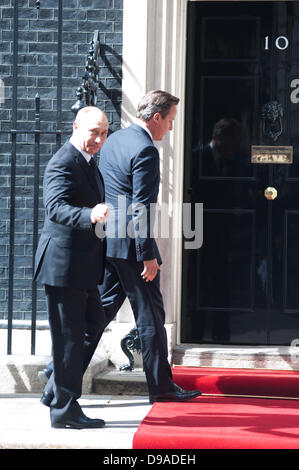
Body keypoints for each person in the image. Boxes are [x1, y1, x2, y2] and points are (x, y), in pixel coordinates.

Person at [98, 90, 202, 404]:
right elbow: (141, 206)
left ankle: (58, 370)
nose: (170, 128)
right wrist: (147, 255)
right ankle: (163, 388)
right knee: (151, 317)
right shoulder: (145, 149)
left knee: (98, 312)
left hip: (110, 238)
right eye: (170, 120)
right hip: (132, 244)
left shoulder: (115, 140)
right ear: (156, 117)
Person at [33, 106, 110, 429]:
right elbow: (55, 208)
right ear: (76, 126)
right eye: (93, 131)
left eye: (104, 133)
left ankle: (56, 385)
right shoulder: (63, 161)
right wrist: (89, 215)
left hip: (81, 264)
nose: (98, 139)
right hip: (64, 265)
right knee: (69, 338)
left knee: (95, 322)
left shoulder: (88, 161)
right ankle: (64, 409)